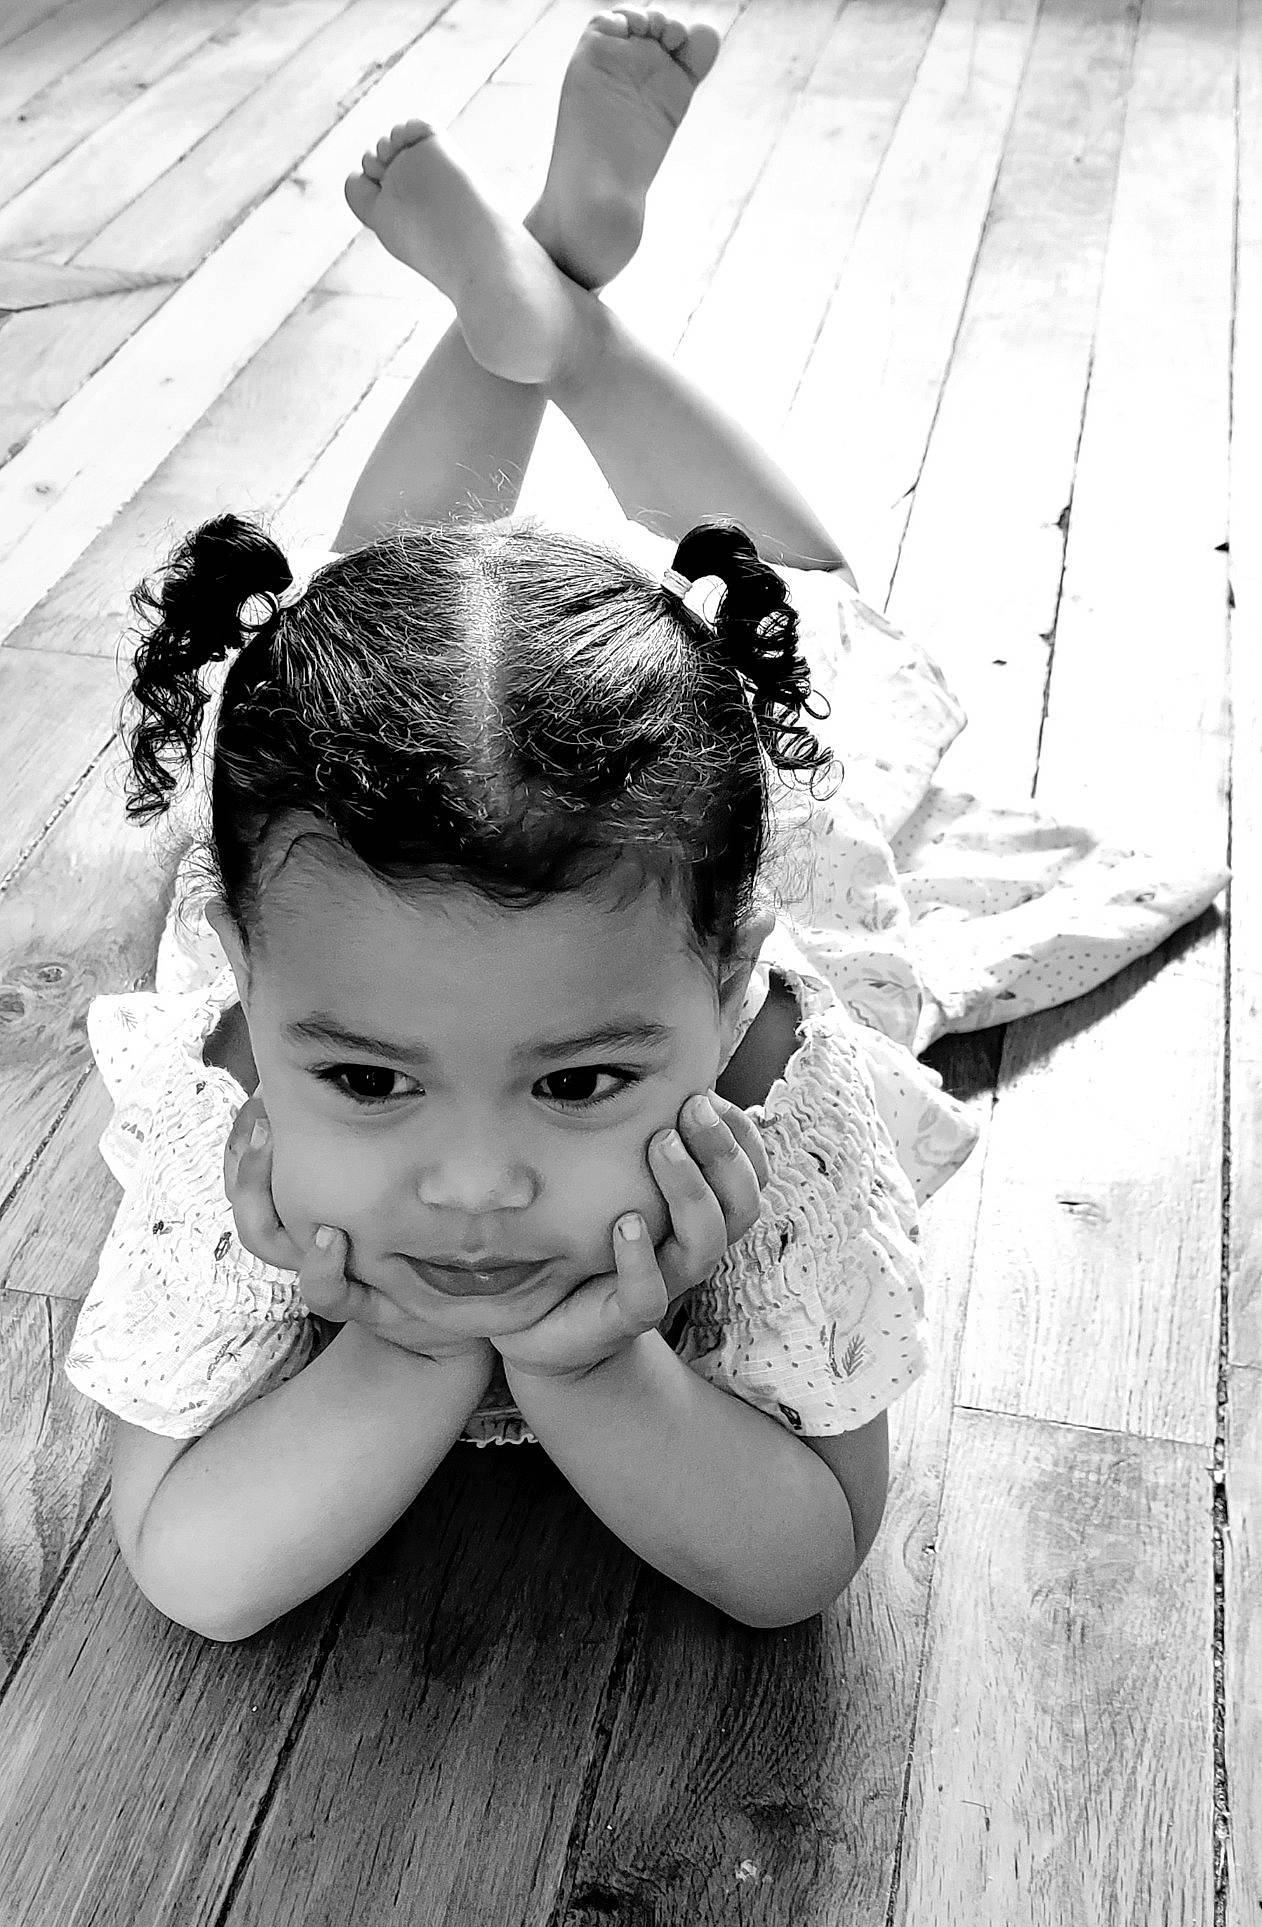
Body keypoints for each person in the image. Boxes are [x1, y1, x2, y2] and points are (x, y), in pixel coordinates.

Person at [62, 9, 1226, 1645]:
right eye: (370, 1081)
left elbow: (801, 1563)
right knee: (375, 615)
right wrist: (403, 1354)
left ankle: (548, 324)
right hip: (400, 883)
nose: (473, 1185)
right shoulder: (227, 1118)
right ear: (240, 976)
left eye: (585, 1080)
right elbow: (193, 1574)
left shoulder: (777, 1114)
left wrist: (588, 1360)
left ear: (737, 986)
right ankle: (554, 310)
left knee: (788, 589)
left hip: (663, 852)